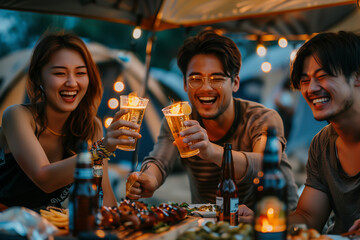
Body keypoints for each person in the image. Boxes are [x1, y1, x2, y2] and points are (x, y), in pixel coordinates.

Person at [126, 30, 298, 210]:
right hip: (209, 227)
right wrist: (147, 180)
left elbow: (265, 164)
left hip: (277, 223)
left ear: (235, 83)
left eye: (217, 78)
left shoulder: (262, 118)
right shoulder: (180, 122)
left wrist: (212, 151)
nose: (205, 88)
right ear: (185, 84)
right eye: (195, 79)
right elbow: (159, 162)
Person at [0, 32, 142, 211]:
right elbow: (44, 179)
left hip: (51, 226)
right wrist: (102, 149)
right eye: (60, 73)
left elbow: (104, 193)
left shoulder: (90, 127)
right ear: (38, 77)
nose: (72, 82)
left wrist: (123, 217)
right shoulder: (17, 116)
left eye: (80, 73)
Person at [238, 31, 360, 234]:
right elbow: (308, 216)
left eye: (323, 76)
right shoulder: (322, 143)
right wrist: (261, 221)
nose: (311, 88)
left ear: (357, 76)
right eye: (304, 80)